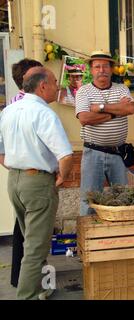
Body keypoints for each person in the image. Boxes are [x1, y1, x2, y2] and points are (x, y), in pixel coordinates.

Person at [0, 67, 73, 300]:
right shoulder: (44, 113)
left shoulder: (9, 110)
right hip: (37, 182)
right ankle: (27, 296)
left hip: (15, 181)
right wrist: (62, 176)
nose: (57, 86)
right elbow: (65, 155)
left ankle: (40, 288)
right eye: (54, 82)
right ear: (43, 86)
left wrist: (17, 168)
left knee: (32, 240)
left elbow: (0, 151)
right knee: (35, 247)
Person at [75, 51, 134, 215]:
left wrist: (100, 107)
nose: (101, 70)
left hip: (118, 153)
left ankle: (120, 237)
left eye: (105, 66)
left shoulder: (122, 89)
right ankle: (88, 239)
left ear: (111, 69)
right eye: (97, 66)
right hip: (93, 153)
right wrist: (116, 111)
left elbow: (130, 108)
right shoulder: (84, 91)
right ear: (91, 70)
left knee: (123, 199)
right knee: (89, 200)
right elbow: (84, 118)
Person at [8, 58, 43, 289]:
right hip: (31, 177)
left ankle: (19, 279)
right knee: (31, 236)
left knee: (24, 231)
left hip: (19, 176)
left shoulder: (13, 104)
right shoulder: (28, 105)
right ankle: (28, 286)